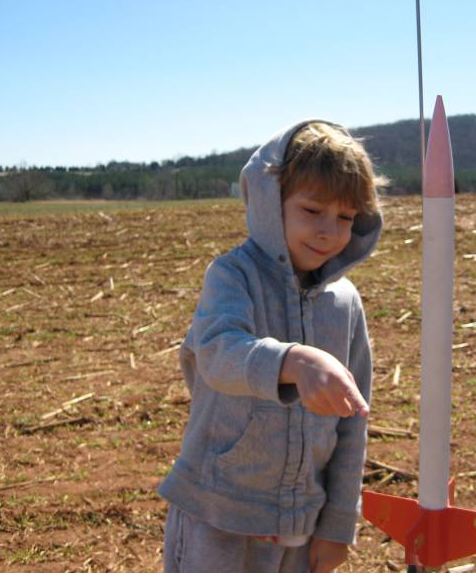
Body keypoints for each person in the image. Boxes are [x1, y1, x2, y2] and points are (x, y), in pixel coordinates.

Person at [158, 120, 384, 573]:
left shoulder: (345, 304)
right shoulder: (232, 276)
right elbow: (218, 353)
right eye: (312, 210)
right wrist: (292, 361)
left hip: (301, 529)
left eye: (345, 217)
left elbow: (352, 424)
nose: (328, 231)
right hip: (217, 518)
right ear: (269, 202)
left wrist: (339, 524)